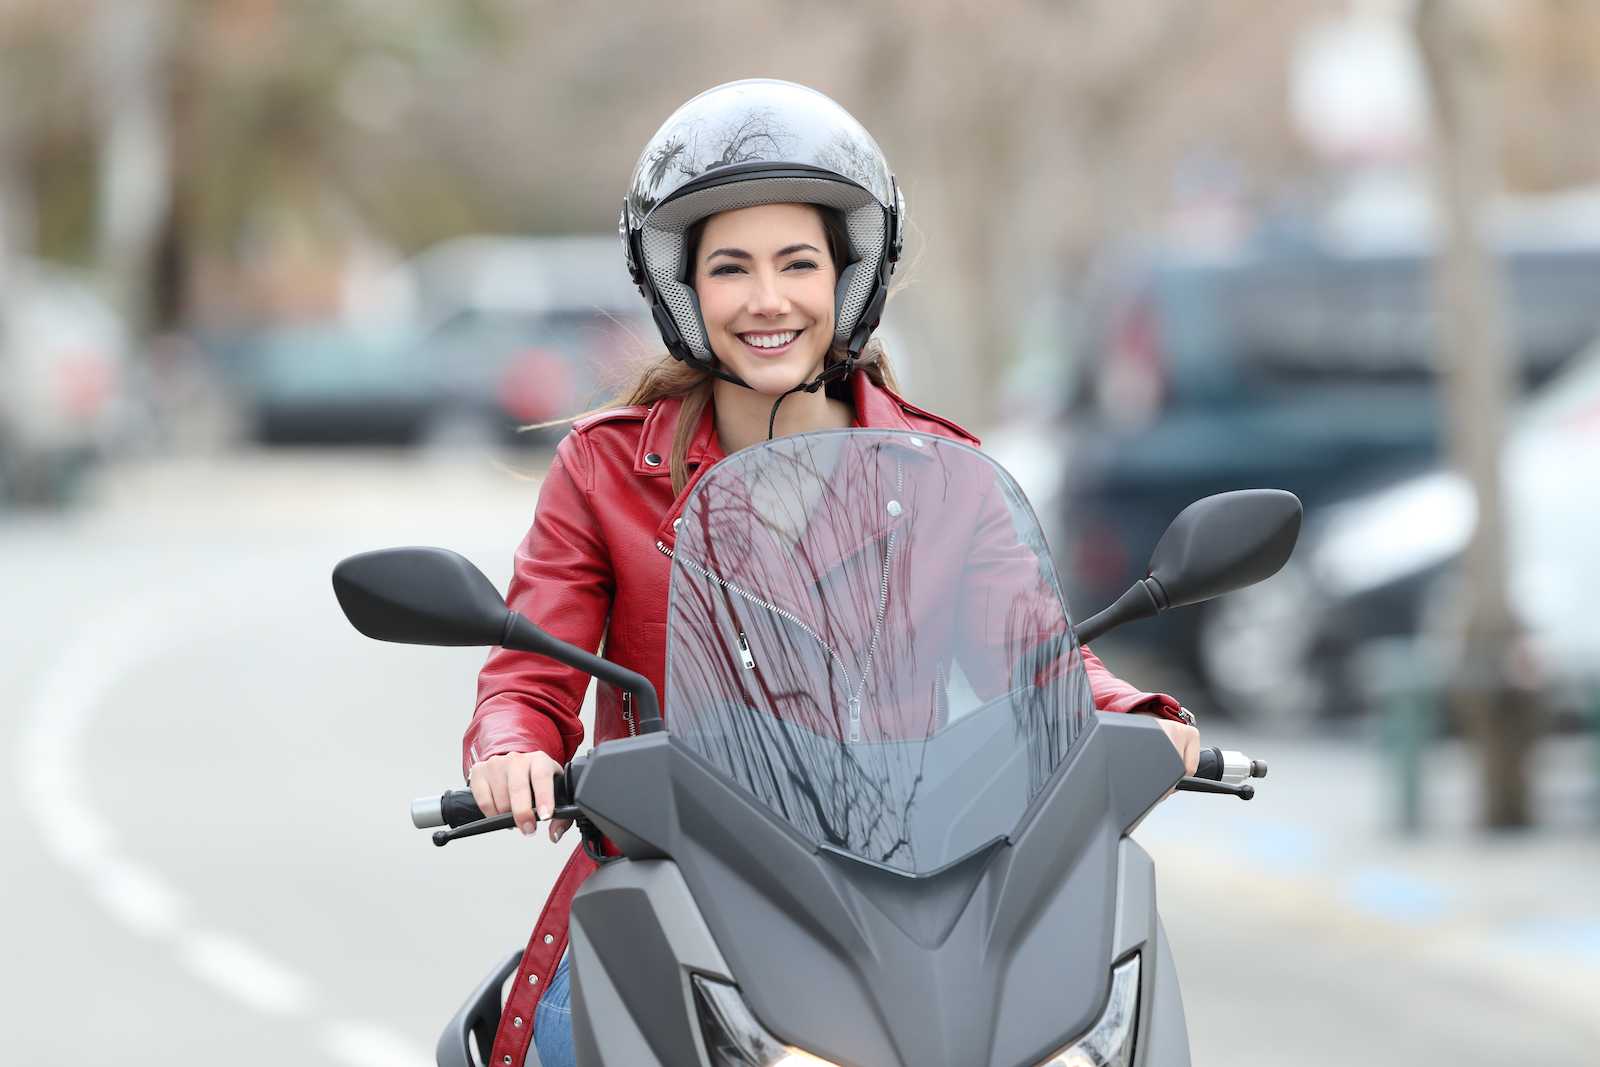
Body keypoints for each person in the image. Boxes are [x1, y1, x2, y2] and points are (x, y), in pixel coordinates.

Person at [460, 79, 1199, 1067]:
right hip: (682, 884)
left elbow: (1035, 659)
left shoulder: (945, 470)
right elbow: (532, 668)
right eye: (731, 268)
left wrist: (1130, 714)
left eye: (798, 263)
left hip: (907, 895)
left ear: (849, 277)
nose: (767, 299)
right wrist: (515, 743)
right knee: (561, 1041)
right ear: (683, 288)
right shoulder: (603, 468)